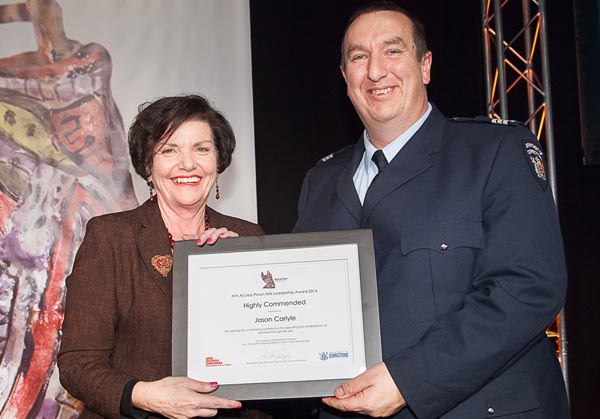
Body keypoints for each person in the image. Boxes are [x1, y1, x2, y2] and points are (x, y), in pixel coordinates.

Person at [294, 2, 570, 418]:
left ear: (425, 66)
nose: (375, 71)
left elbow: (529, 286)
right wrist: (223, 253)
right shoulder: (321, 181)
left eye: (392, 51)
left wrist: (410, 379)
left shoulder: (494, 152)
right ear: (345, 77)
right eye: (358, 57)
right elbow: (298, 301)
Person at [58, 95, 270, 419]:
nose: (187, 164)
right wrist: (144, 395)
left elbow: (266, 349)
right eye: (169, 150)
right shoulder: (111, 238)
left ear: (218, 161)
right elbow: (77, 365)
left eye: (201, 149)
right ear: (148, 165)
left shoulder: (248, 237)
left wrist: (233, 268)